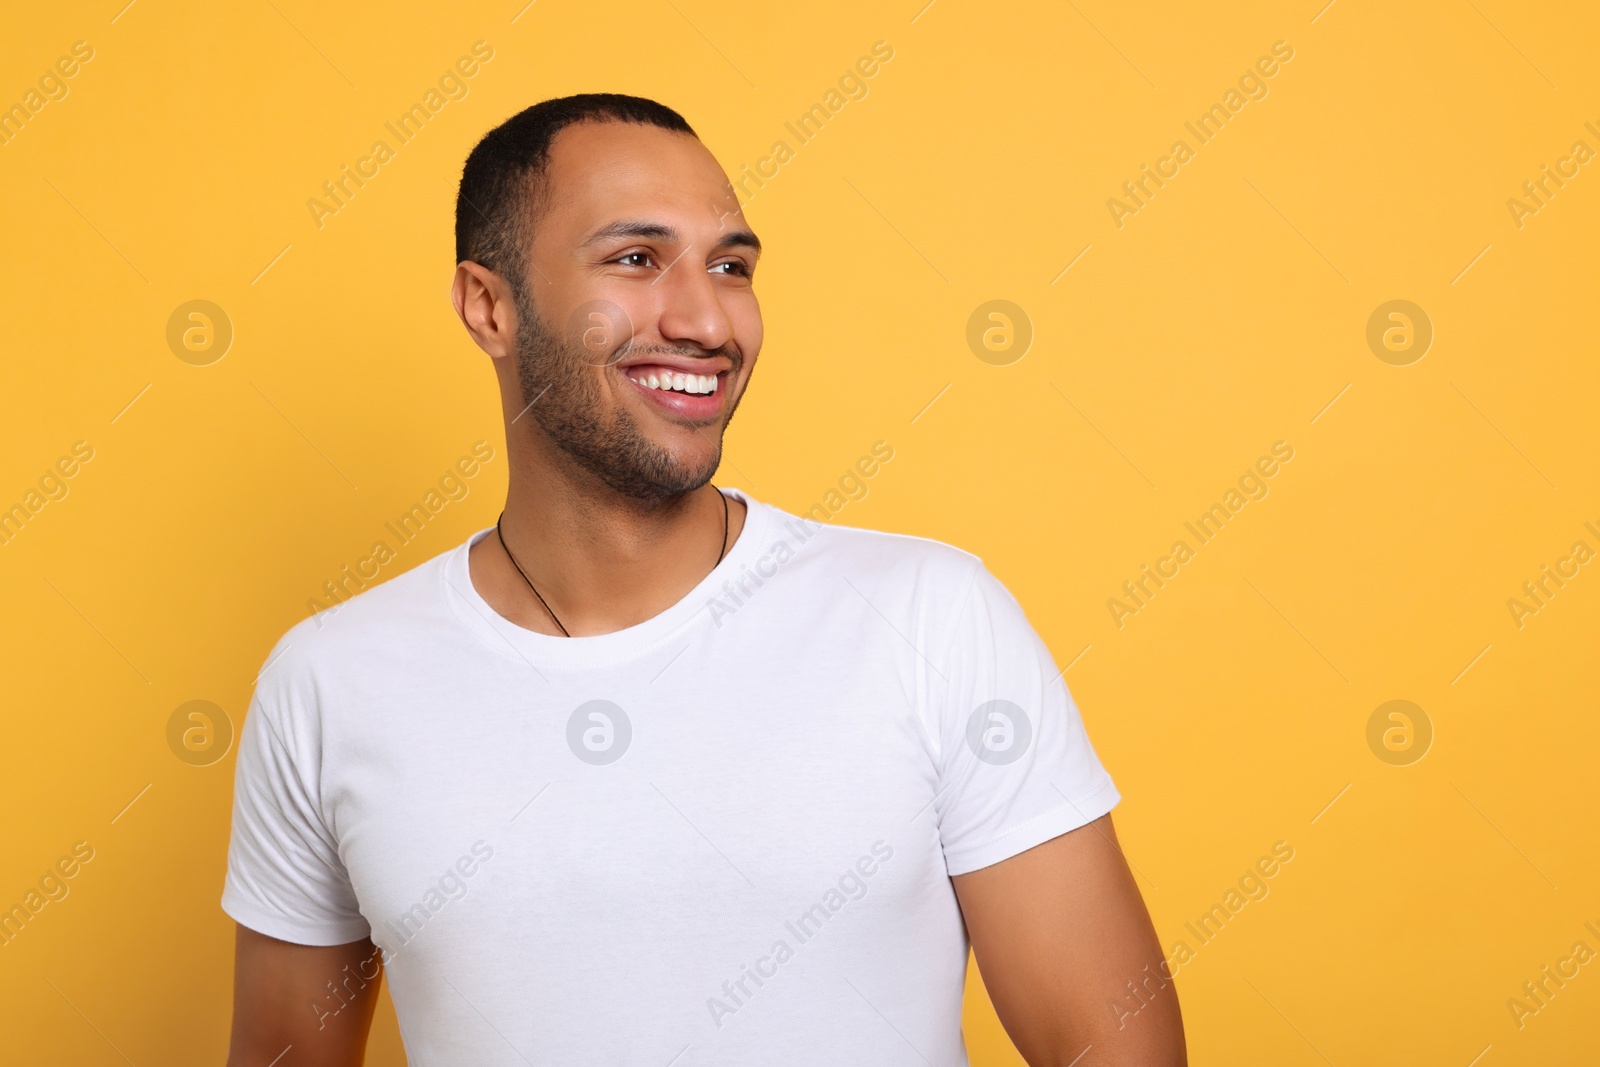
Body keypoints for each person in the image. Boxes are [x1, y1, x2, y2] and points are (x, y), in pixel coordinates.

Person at [222, 92, 1185, 1066]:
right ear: (489, 305)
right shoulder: (329, 682)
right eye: (636, 259)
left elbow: (1110, 1046)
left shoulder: (927, 617)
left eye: (731, 266)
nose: (706, 318)